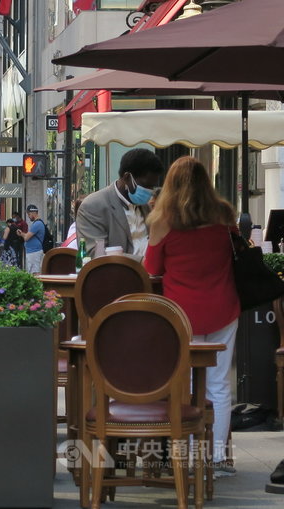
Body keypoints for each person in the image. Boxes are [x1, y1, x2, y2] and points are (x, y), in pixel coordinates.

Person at [144, 156, 240, 478]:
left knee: (182, 385)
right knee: (219, 385)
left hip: (180, 313)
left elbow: (152, 270)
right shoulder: (225, 215)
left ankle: (182, 455)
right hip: (223, 309)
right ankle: (216, 459)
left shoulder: (163, 221)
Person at [76, 148, 163, 259]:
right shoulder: (94, 206)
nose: (149, 191)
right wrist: (143, 263)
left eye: (152, 186)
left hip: (150, 275)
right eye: (146, 186)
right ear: (127, 178)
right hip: (116, 275)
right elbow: (97, 255)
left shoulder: (145, 207)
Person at [16, 205, 45, 274]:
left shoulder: (37, 224)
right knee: (33, 272)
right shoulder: (37, 223)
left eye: (29, 214)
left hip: (34, 252)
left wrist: (21, 233)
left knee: (34, 273)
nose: (28, 216)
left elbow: (26, 238)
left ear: (33, 213)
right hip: (33, 251)